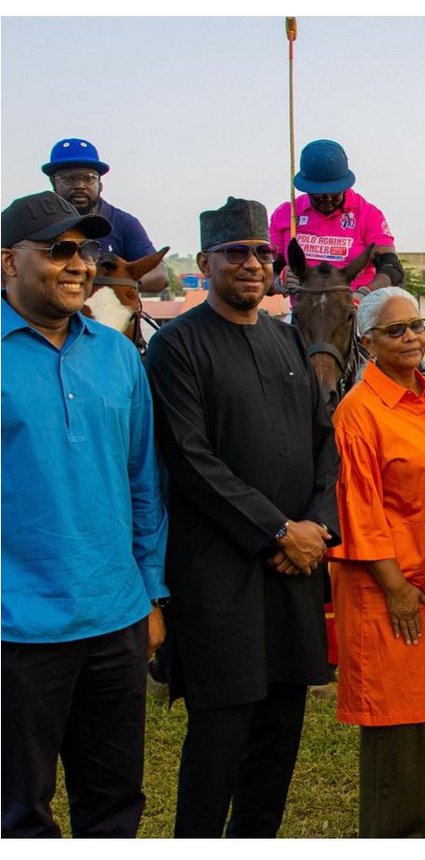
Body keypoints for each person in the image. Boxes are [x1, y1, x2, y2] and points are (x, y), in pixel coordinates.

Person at [145, 197, 340, 838]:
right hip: (220, 576)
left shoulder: (286, 338)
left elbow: (323, 449)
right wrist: (278, 531)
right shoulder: (176, 347)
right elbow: (191, 460)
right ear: (205, 262)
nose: (253, 264)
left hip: (293, 574)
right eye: (237, 253)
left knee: (279, 735)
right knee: (221, 736)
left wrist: (315, 527)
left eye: (262, 252)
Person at [1, 191, 168, 837]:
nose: (79, 265)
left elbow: (143, 482)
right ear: (7, 263)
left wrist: (150, 592)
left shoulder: (118, 355)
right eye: (58, 250)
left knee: (115, 804)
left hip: (115, 621)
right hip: (17, 630)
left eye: (87, 250)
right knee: (21, 814)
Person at [326, 287, 425, 838]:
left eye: (416, 325)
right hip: (393, 591)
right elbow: (357, 511)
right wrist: (396, 587)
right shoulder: (358, 414)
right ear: (367, 343)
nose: (411, 336)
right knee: (398, 722)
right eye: (395, 330)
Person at [270, 139, 402, 299]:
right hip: (304, 311)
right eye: (317, 195)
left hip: (354, 308)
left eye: (334, 193)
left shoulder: (369, 215)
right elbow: (264, 271)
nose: (326, 199)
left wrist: (364, 293)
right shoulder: (286, 214)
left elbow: (392, 268)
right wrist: (278, 282)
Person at [41, 137, 168, 294]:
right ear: (53, 183)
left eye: (88, 178)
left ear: (100, 184)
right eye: (68, 179)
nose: (79, 185)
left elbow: (159, 276)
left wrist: (106, 287)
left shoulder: (123, 223)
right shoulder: (38, 223)